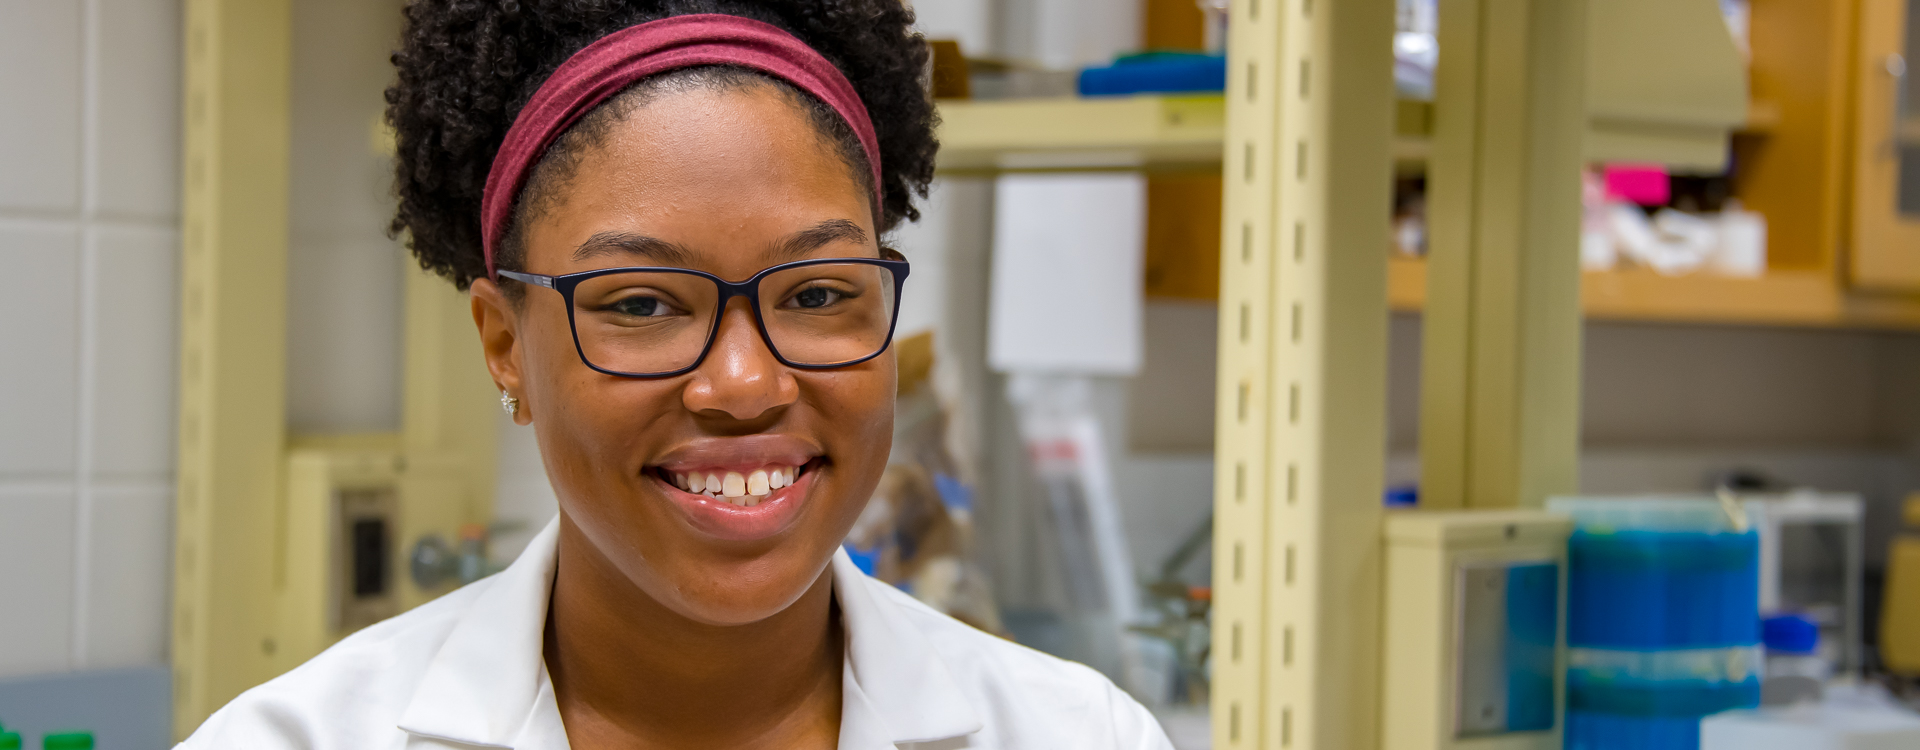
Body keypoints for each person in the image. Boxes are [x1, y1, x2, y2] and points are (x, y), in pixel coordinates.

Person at [178, 1, 1176, 748]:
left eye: (820, 294)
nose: (744, 385)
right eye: (643, 304)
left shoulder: (1078, 734)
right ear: (504, 344)